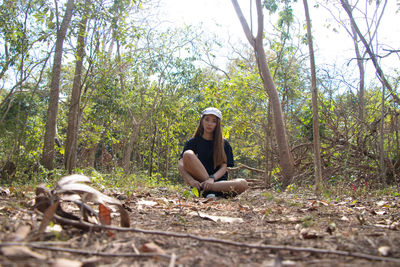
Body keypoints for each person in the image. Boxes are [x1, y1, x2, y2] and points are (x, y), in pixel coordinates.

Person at [178, 107, 248, 198]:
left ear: (217, 124)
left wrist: (212, 179)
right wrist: (191, 180)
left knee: (243, 183)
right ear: (202, 121)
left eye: (214, 121)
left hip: (219, 183)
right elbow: (180, 165)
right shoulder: (193, 142)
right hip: (200, 180)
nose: (209, 124)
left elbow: (224, 167)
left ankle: (208, 190)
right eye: (207, 119)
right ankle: (208, 191)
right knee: (187, 153)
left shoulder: (224, 144)